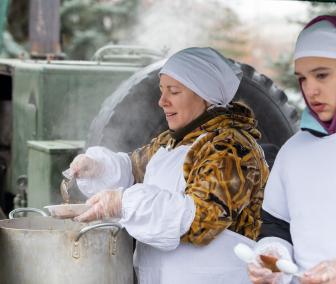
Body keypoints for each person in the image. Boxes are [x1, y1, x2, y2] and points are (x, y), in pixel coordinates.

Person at [69, 47, 269, 284]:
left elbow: (202, 220)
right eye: (162, 90)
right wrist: (100, 168)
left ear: (204, 95)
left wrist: (123, 202)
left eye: (173, 91)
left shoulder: (232, 149)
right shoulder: (174, 141)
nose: (162, 101)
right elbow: (135, 170)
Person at [247, 15, 336, 284]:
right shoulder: (294, 150)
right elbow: (276, 226)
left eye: (322, 75)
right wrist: (272, 258)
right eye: (302, 78)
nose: (310, 90)